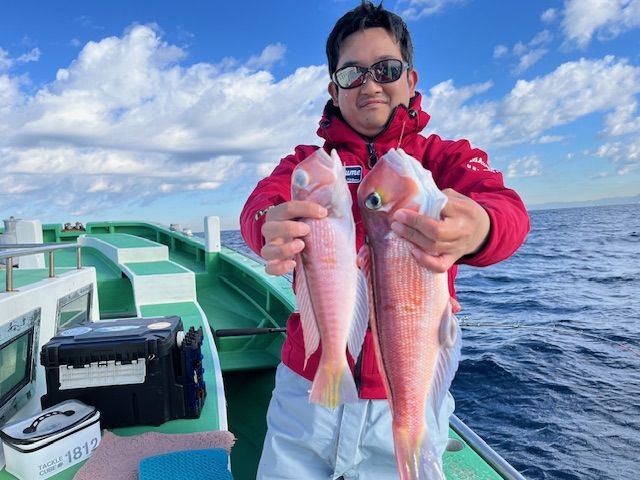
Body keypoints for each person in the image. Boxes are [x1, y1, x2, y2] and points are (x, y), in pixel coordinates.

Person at [240, 2, 530, 478]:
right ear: (334, 90)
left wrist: (480, 226)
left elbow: (507, 210)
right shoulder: (310, 166)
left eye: (386, 69)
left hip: (409, 386)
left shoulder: (442, 160)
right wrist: (267, 225)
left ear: (411, 80)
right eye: (352, 73)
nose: (370, 84)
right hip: (307, 386)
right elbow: (261, 203)